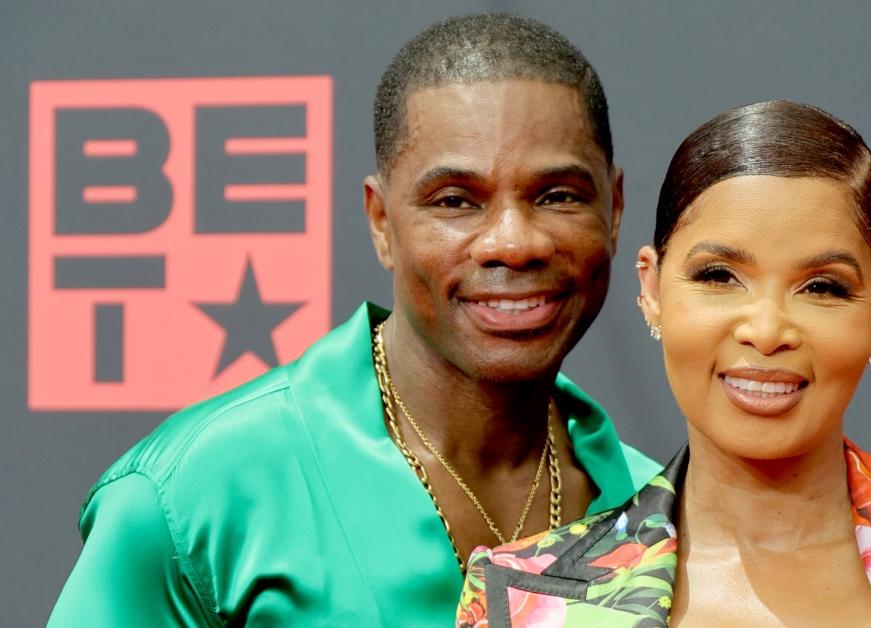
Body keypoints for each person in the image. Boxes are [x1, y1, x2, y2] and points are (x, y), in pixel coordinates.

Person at [48, 14, 660, 626]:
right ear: (381, 223)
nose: (512, 242)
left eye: (557, 196)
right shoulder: (191, 497)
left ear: (613, 211)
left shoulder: (657, 509)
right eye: (455, 201)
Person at [456, 101, 871, 627]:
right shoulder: (522, 603)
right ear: (652, 290)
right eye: (718, 276)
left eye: (821, 287)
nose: (767, 330)